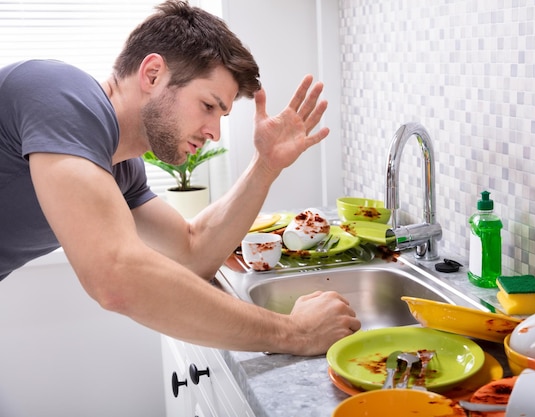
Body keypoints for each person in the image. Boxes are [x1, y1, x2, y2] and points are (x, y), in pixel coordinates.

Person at [0, 0, 360, 356]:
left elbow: (192, 253)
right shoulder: (59, 94)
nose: (215, 133)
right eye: (208, 106)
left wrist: (265, 166)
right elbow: (116, 276)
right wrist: (293, 333)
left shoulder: (121, 170)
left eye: (222, 115)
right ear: (153, 74)